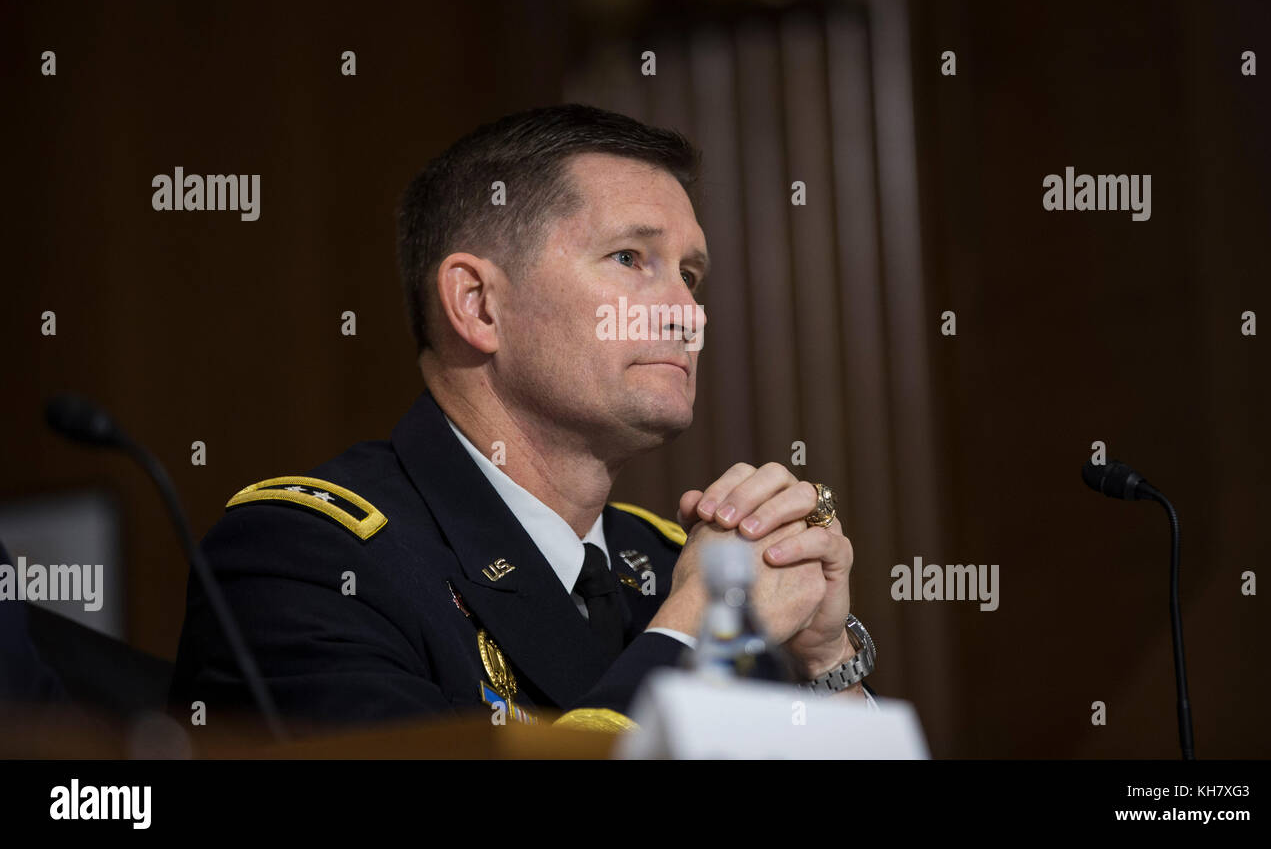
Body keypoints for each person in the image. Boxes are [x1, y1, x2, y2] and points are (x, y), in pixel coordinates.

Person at [169, 104, 873, 736]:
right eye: (631, 258)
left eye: (689, 275)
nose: (687, 314)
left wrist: (824, 659)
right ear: (477, 305)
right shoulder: (308, 559)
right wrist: (689, 630)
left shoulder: (669, 565)